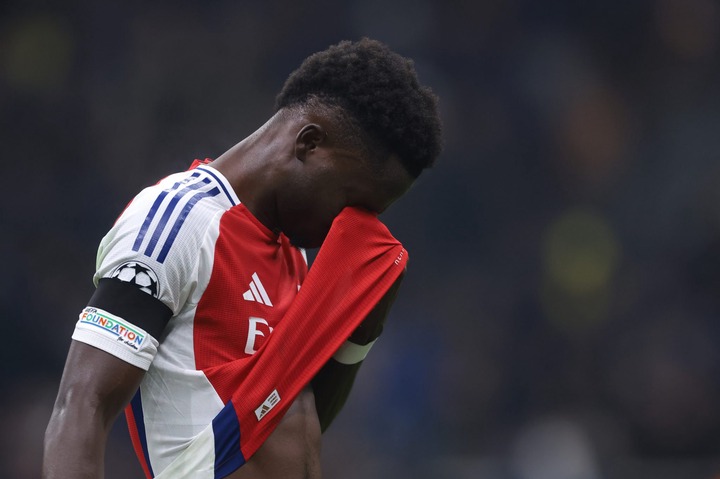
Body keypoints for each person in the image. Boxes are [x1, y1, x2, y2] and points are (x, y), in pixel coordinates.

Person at [43, 38, 442, 479]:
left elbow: (291, 418)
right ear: (309, 143)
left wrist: (358, 335)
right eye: (351, 200)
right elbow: (81, 405)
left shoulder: (294, 258)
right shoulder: (178, 222)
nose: (346, 225)